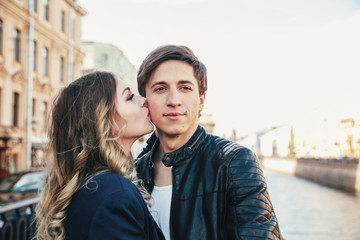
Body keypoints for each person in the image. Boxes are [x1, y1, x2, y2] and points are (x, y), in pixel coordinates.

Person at [135, 45, 282, 239]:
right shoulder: (135, 171)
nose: (174, 100)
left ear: (201, 101)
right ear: (145, 101)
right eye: (160, 88)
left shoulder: (235, 163)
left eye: (185, 88)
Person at [35, 71, 165, 240]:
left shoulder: (94, 184)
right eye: (130, 97)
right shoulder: (115, 193)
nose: (143, 100)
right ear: (103, 120)